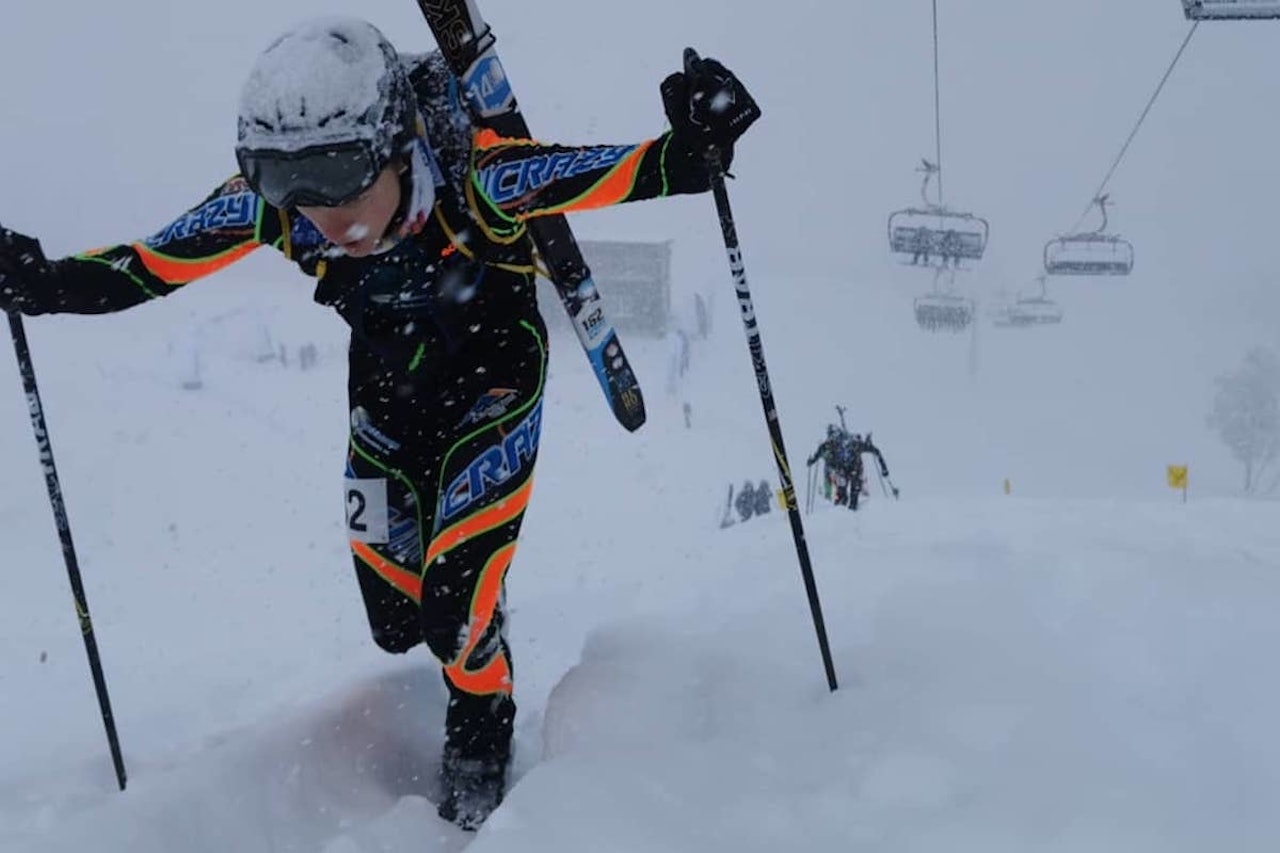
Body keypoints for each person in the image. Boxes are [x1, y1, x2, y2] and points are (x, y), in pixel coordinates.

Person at [0, 16, 760, 830]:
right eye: (293, 188)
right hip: (386, 403)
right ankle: (465, 632)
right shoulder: (281, 209)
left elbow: (618, 172)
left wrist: (699, 144)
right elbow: (152, 265)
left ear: (399, 148)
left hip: (492, 396)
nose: (325, 220)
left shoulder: (482, 180)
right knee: (394, 620)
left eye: (344, 179)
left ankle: (481, 722)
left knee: (451, 606)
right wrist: (46, 283)